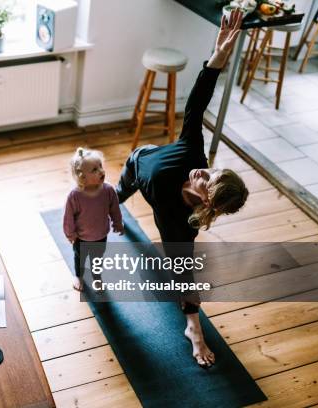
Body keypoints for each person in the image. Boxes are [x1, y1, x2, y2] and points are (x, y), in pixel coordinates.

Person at [115, 10, 249, 367]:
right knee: (114, 200)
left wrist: (196, 329)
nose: (202, 172)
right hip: (136, 163)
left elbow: (184, 275)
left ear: (206, 203)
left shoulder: (181, 223)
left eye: (208, 181)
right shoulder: (193, 151)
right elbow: (197, 103)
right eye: (212, 170)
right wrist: (217, 58)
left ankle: (193, 332)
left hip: (160, 207)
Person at [64, 147, 124, 291]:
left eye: (100, 166)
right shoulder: (75, 196)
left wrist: (118, 222)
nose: (101, 171)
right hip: (81, 237)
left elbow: (114, 208)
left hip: (101, 234)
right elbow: (68, 217)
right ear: (82, 177)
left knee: (97, 260)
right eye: (94, 170)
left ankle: (97, 278)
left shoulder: (108, 190)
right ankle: (78, 276)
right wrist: (70, 234)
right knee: (80, 258)